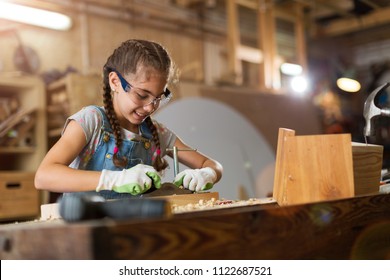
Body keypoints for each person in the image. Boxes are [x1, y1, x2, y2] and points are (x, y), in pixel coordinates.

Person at [35, 39, 223, 199]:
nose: (150, 107)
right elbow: (44, 176)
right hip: (87, 233)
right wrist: (114, 179)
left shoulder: (157, 133)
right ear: (115, 82)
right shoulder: (91, 121)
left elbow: (213, 165)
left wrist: (207, 174)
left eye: (158, 98)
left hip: (133, 231)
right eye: (142, 95)